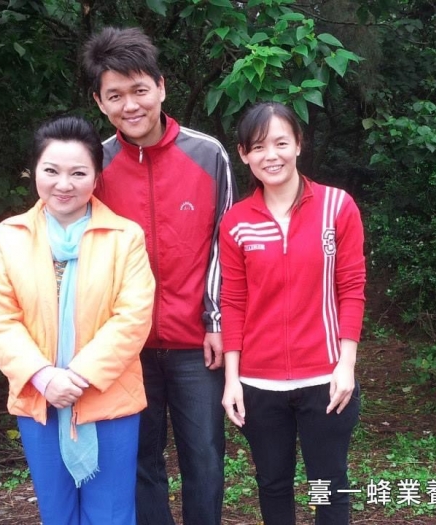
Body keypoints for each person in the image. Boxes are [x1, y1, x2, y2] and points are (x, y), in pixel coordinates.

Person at [81, 26, 237, 525]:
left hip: (196, 342)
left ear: (161, 87)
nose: (131, 105)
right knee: (138, 460)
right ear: (99, 102)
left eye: (140, 90)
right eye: (115, 95)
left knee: (205, 458)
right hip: (125, 345)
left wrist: (216, 320)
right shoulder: (94, 165)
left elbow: (225, 245)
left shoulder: (207, 154)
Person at [0, 115, 155, 525]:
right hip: (39, 399)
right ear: (34, 171)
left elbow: (132, 317)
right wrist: (44, 377)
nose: (64, 184)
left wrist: (77, 377)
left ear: (96, 176)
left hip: (108, 398)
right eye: (51, 171)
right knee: (56, 513)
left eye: (78, 173)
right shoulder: (9, 237)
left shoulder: (125, 237)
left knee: (112, 515)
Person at [219, 102, 366, 525]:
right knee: (273, 485)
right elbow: (233, 302)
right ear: (244, 154)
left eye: (281, 143)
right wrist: (232, 380)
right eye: (258, 146)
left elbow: (351, 289)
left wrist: (346, 365)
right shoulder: (236, 223)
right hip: (259, 384)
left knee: (329, 487)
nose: (271, 155)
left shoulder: (337, 207)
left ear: (299, 144)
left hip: (326, 380)